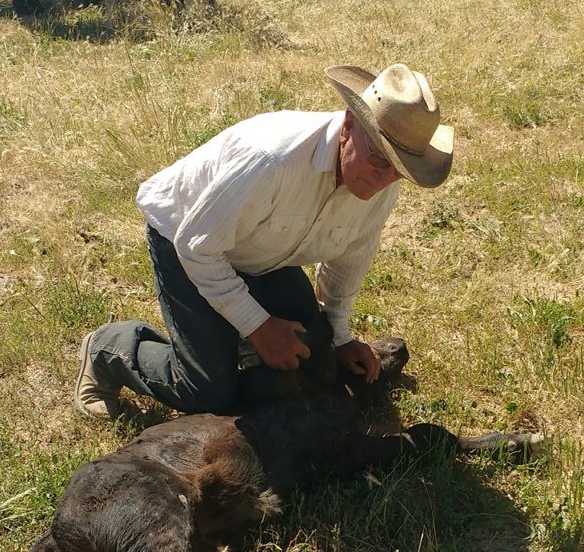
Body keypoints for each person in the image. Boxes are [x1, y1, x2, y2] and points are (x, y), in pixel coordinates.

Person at [74, 62, 454, 420]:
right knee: (208, 391)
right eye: (379, 158)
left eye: (399, 169)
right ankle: (108, 349)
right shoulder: (271, 160)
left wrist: (339, 338)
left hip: (262, 254)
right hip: (187, 240)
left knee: (318, 366)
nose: (384, 178)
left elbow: (348, 260)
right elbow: (196, 245)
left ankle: (229, 339)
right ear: (349, 124)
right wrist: (258, 326)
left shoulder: (380, 186)